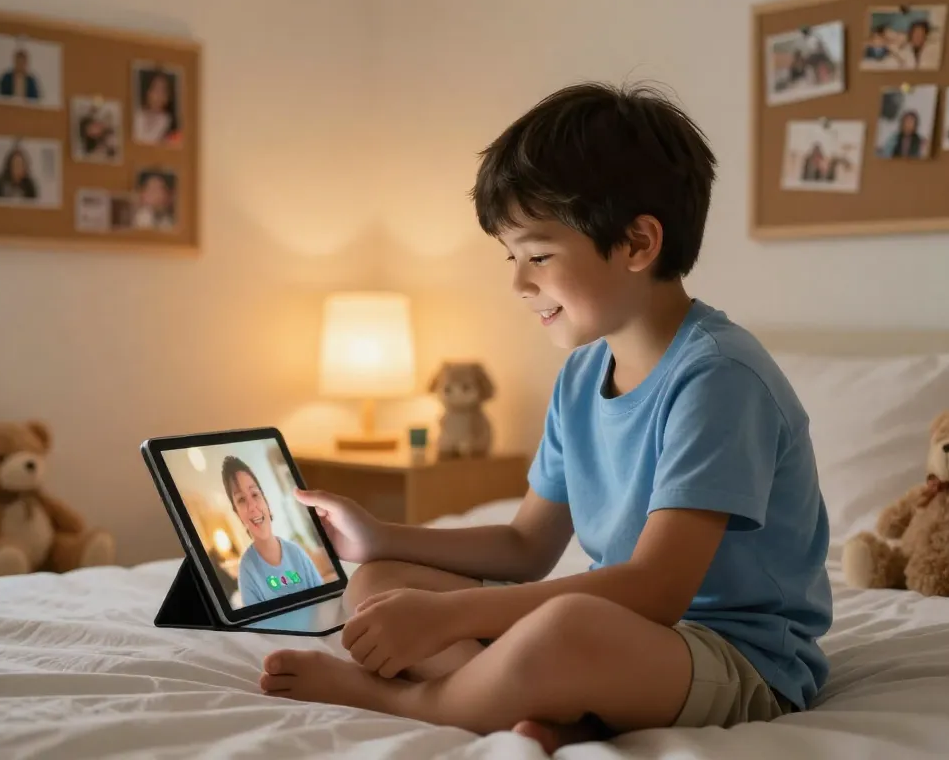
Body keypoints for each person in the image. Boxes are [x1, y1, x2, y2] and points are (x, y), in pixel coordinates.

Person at [257, 81, 833, 754]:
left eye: (539, 255)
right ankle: (541, 707)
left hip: (737, 658)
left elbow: (655, 592)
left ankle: (410, 699)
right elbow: (526, 548)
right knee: (382, 584)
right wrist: (380, 535)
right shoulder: (584, 374)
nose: (518, 284)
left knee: (564, 631)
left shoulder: (719, 378)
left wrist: (449, 616)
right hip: (626, 636)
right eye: (512, 257)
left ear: (638, 243)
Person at [221, 455, 325, 605]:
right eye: (241, 500)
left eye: (255, 494)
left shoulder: (297, 553)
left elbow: (323, 600)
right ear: (237, 514)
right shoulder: (247, 570)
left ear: (266, 503)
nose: (252, 507)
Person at [133, 69, 181, 146]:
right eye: (155, 89)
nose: (159, 95)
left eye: (163, 91)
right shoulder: (137, 114)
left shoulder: (169, 123)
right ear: (147, 91)